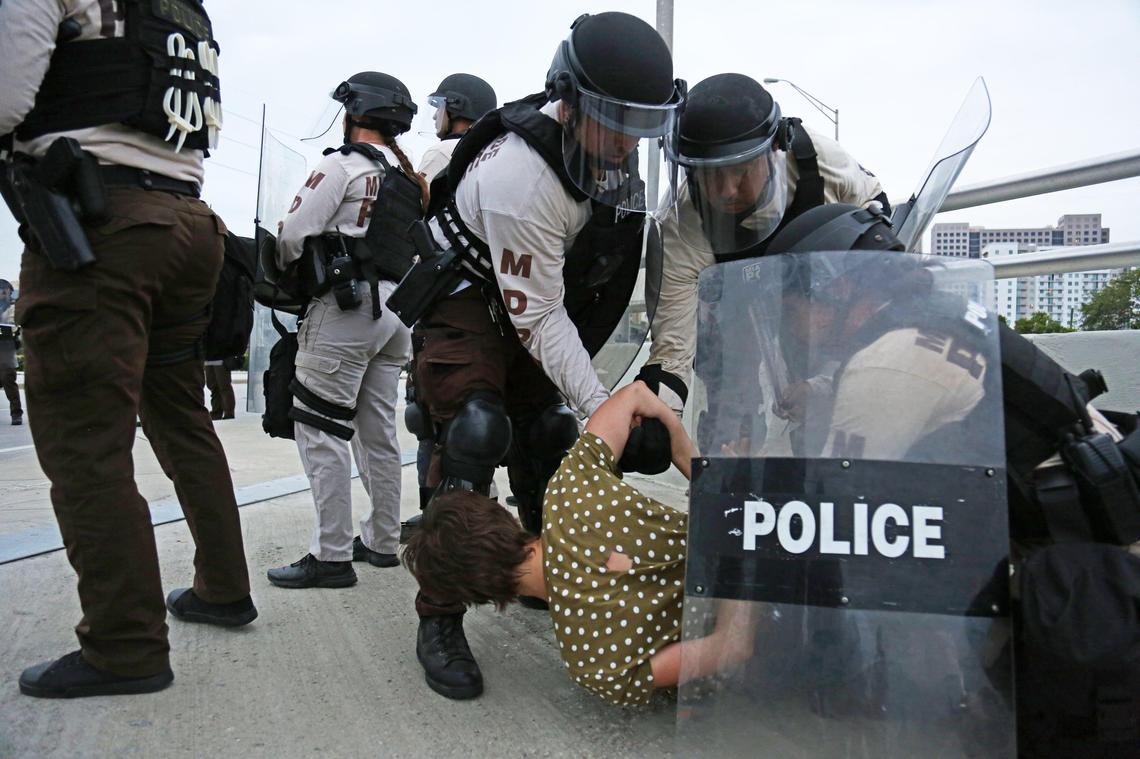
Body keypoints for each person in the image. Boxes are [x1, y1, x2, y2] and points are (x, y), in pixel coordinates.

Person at [402, 10, 685, 700]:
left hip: (529, 300)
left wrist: (640, 399)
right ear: (570, 100)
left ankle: (540, 565)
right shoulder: (522, 177)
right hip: (468, 298)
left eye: (641, 124)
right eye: (613, 118)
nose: (626, 141)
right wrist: (607, 409)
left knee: (549, 433)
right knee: (473, 430)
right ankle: (439, 611)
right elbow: (543, 318)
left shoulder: (607, 161)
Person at [1, 0, 256, 699]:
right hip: (190, 224)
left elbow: (4, 98)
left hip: (102, 228)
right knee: (181, 419)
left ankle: (124, 645)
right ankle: (224, 587)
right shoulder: (184, 9)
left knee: (86, 442)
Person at [404, 380, 757, 706]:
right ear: (502, 519)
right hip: (776, 529)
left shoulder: (592, 661)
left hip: (777, 643)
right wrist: (716, 488)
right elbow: (637, 395)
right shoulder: (570, 489)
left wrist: (739, 541)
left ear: (479, 595)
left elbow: (732, 647)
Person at [636, 74, 889, 455]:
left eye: (741, 170)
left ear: (774, 149)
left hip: (813, 299)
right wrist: (661, 420)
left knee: (825, 414)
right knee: (730, 416)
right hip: (730, 310)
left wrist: (828, 381)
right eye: (710, 175)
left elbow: (878, 244)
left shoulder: (821, 164)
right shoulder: (680, 224)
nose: (727, 191)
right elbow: (673, 348)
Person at [265, 72, 427, 589]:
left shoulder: (343, 166)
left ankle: (330, 555)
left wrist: (290, 275)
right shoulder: (408, 183)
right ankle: (381, 540)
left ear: (354, 113)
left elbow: (292, 233)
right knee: (377, 433)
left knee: (319, 428)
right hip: (394, 317)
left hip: (347, 310)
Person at [416, 73, 497, 183]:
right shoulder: (491, 152)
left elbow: (418, 199)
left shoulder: (442, 151)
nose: (435, 116)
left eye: (439, 107)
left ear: (454, 109)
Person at [0, 278, 21, 425]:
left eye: (4, 290)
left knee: (8, 377)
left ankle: (16, 413)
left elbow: (17, 323)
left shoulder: (14, 307)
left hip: (7, 346)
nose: (2, 293)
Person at [204, 356, 237, 420]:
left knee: (224, 387)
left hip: (221, 360)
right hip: (208, 360)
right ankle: (216, 412)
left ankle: (229, 413)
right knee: (213, 388)